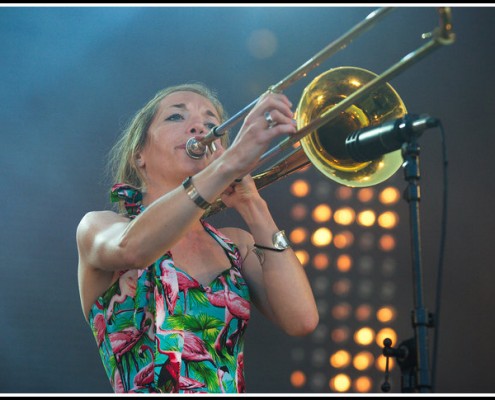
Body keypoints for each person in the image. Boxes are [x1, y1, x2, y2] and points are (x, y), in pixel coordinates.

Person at [76, 82, 319, 393]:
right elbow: (134, 248)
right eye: (176, 117)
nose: (199, 128)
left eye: (211, 124)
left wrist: (253, 206)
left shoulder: (237, 245)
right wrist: (229, 164)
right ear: (139, 155)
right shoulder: (99, 227)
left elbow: (301, 320)